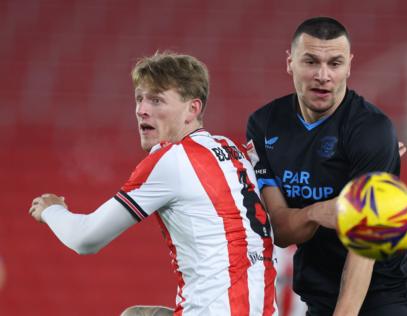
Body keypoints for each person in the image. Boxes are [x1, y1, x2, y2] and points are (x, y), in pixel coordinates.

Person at [29, 52, 278, 316]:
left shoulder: (172, 159)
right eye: (139, 98)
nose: (141, 110)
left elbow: (85, 239)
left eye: (156, 100)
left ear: (192, 109)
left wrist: (50, 209)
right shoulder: (232, 149)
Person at [246, 17, 407, 316]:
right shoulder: (264, 124)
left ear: (349, 65)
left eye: (335, 63)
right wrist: (321, 211)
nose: (323, 75)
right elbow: (281, 229)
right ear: (290, 62)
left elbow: (365, 243)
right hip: (319, 292)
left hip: (386, 294)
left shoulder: (371, 129)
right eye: (311, 61)